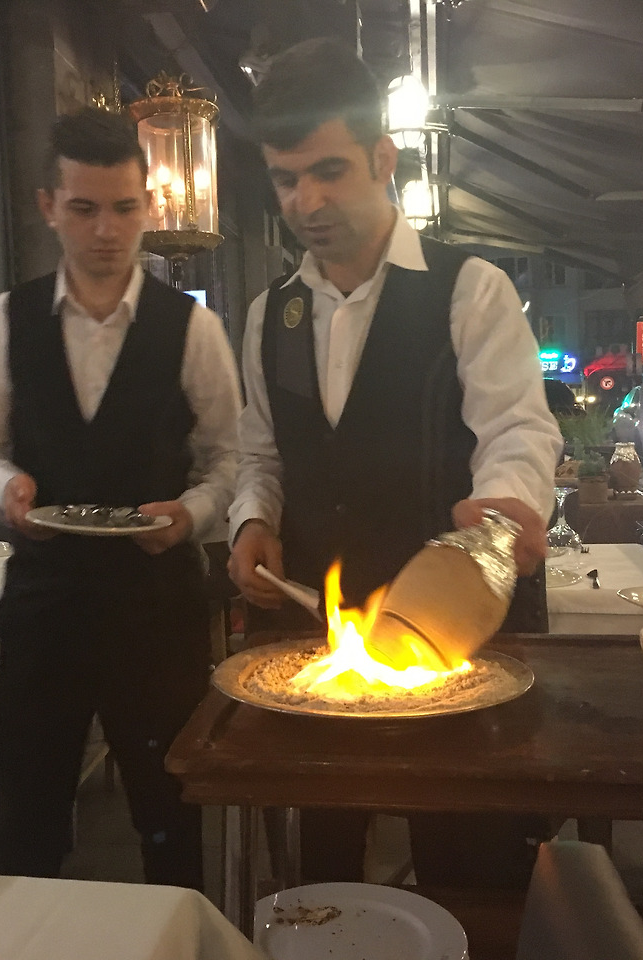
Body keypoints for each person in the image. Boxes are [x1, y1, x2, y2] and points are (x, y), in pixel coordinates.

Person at [227, 38, 564, 889]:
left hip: (450, 635)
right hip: (321, 639)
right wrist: (253, 519)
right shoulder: (271, 313)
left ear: (383, 158)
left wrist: (502, 509)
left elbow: (518, 431)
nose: (306, 202)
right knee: (325, 871)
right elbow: (260, 450)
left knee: (467, 868)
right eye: (285, 179)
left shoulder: (469, 288)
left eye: (329, 171)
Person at [0, 107, 241, 888]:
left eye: (123, 208)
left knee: (170, 823)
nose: (107, 230)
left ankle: (180, 938)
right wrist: (5, 488)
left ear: (148, 207)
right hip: (43, 608)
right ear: (49, 207)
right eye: (84, 208)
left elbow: (229, 458)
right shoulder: (10, 319)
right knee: (30, 823)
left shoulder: (192, 328)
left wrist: (191, 515)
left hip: (157, 612)